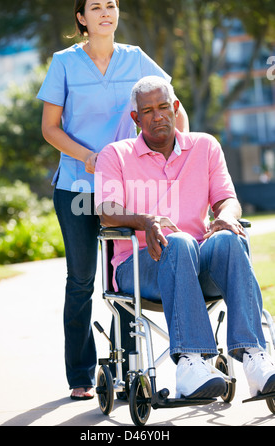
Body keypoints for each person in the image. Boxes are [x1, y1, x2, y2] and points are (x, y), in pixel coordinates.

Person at [36, 0, 189, 400]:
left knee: (128, 277)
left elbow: (175, 110)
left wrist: (180, 154)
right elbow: (50, 128)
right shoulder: (64, 63)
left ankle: (128, 368)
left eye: (111, 5)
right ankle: (82, 374)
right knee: (83, 279)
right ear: (82, 19)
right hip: (77, 187)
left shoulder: (137, 60)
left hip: (128, 186)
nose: (105, 12)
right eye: (96, 7)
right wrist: (87, 156)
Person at [94, 75, 275, 400]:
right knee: (176, 243)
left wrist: (225, 216)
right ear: (135, 118)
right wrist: (145, 221)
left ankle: (254, 358)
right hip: (138, 268)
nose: (158, 115)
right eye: (147, 111)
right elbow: (106, 211)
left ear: (175, 108)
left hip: (199, 261)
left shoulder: (205, 146)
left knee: (230, 238)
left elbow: (227, 199)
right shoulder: (115, 155)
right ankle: (190, 365)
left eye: (164, 107)